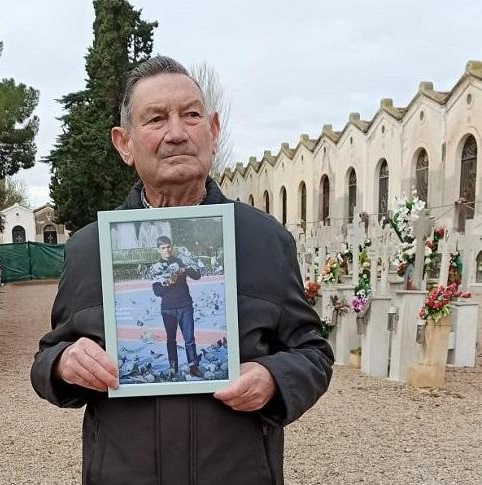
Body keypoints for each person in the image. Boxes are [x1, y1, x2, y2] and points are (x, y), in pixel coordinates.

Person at [31, 55, 334, 485]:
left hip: (238, 474)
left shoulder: (266, 240)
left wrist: (274, 378)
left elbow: (313, 352)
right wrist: (64, 363)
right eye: (155, 119)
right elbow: (48, 354)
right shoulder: (88, 248)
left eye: (191, 115)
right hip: (123, 475)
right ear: (124, 143)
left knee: (188, 341)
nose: (176, 133)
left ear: (212, 130)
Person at [150, 235, 202, 377]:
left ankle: (193, 366)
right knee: (171, 339)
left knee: (189, 339)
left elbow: (197, 276)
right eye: (163, 248)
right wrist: (169, 282)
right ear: (158, 250)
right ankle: (173, 367)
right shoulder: (155, 268)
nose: (167, 250)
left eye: (168, 247)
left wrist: (184, 270)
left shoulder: (180, 261)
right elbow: (157, 292)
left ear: (172, 247)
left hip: (185, 305)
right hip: (168, 308)